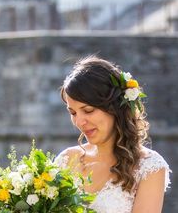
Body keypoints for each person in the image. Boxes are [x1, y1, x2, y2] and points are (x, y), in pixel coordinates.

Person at [57, 56, 170, 213]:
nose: (79, 121)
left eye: (88, 110)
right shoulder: (67, 159)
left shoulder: (149, 167)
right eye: (73, 112)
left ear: (114, 108)